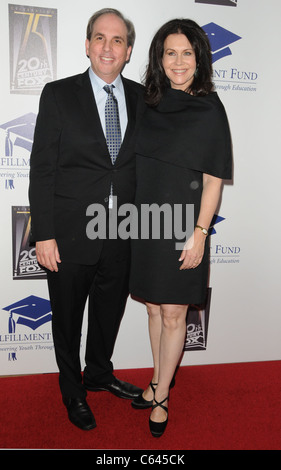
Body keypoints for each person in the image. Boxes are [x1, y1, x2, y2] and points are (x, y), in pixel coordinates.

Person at [29, 8, 144, 431]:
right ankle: (72, 389)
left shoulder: (141, 98)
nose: (107, 47)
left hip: (123, 231)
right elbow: (42, 169)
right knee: (67, 318)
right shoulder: (58, 94)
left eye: (117, 40)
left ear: (128, 50)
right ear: (87, 45)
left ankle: (98, 373)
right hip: (70, 232)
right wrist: (44, 234)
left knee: (108, 313)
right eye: (100, 38)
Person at [130, 19, 232, 437]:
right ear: (159, 57)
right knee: (154, 307)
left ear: (199, 58)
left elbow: (213, 180)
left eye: (187, 53)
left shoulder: (209, 107)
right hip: (144, 223)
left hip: (184, 226)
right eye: (170, 52)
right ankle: (158, 378)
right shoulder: (146, 102)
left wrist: (200, 233)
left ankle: (162, 395)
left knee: (173, 314)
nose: (178, 61)